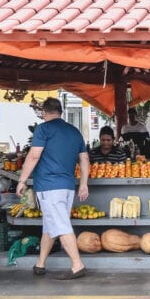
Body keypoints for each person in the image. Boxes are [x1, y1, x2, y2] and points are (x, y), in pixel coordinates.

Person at [16, 97, 90, 280]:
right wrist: (83, 183)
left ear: (44, 112)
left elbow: (33, 156)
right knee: (50, 225)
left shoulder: (43, 129)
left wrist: (22, 180)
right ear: (61, 111)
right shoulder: (74, 131)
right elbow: (85, 160)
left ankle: (77, 265)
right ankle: (40, 264)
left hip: (49, 187)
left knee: (61, 226)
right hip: (67, 187)